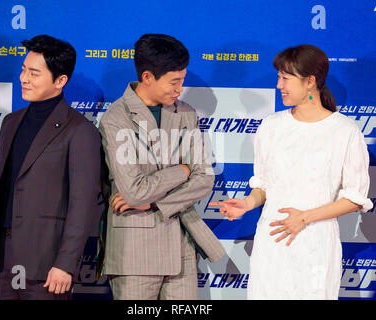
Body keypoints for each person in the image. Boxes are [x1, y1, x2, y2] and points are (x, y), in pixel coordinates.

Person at [210, 44, 372, 300]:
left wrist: (305, 217)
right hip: (272, 243)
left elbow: (354, 199)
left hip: (316, 246)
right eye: (278, 78)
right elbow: (265, 185)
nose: (279, 85)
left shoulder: (345, 131)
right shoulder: (271, 126)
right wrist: (248, 202)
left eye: (285, 78)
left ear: (310, 81)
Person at [0, 35, 103, 300]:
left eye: (34, 73)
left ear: (60, 81)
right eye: (23, 70)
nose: (24, 78)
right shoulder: (11, 123)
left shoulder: (80, 131)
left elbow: (83, 204)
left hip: (48, 264)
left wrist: (66, 263)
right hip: (5, 258)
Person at [98, 33, 225, 300]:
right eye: (174, 82)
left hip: (182, 250)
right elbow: (134, 192)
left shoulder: (186, 112)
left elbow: (204, 179)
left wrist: (157, 204)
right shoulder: (116, 118)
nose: (180, 88)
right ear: (147, 77)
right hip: (134, 252)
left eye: (183, 80)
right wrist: (183, 171)